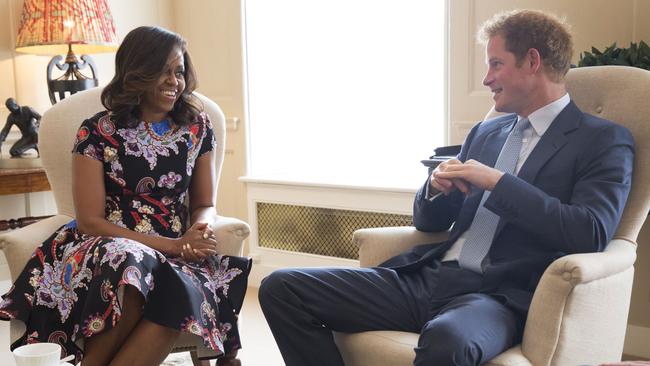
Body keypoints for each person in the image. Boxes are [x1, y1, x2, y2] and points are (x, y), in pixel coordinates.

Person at [258, 9, 634, 366]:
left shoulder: (601, 140)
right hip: (429, 277)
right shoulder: (487, 132)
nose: (487, 78)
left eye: (496, 64)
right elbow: (428, 221)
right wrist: (436, 188)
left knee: (449, 338)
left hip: (497, 295)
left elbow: (590, 232)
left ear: (532, 61)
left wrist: (499, 182)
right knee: (281, 287)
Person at [0, 26, 251, 366]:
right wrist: (172, 246)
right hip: (105, 244)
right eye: (162, 71)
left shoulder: (197, 127)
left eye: (178, 72)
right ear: (137, 71)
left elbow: (204, 203)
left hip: (174, 249)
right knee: (133, 262)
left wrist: (200, 230)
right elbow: (90, 221)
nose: (173, 81)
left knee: (177, 293)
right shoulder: (96, 131)